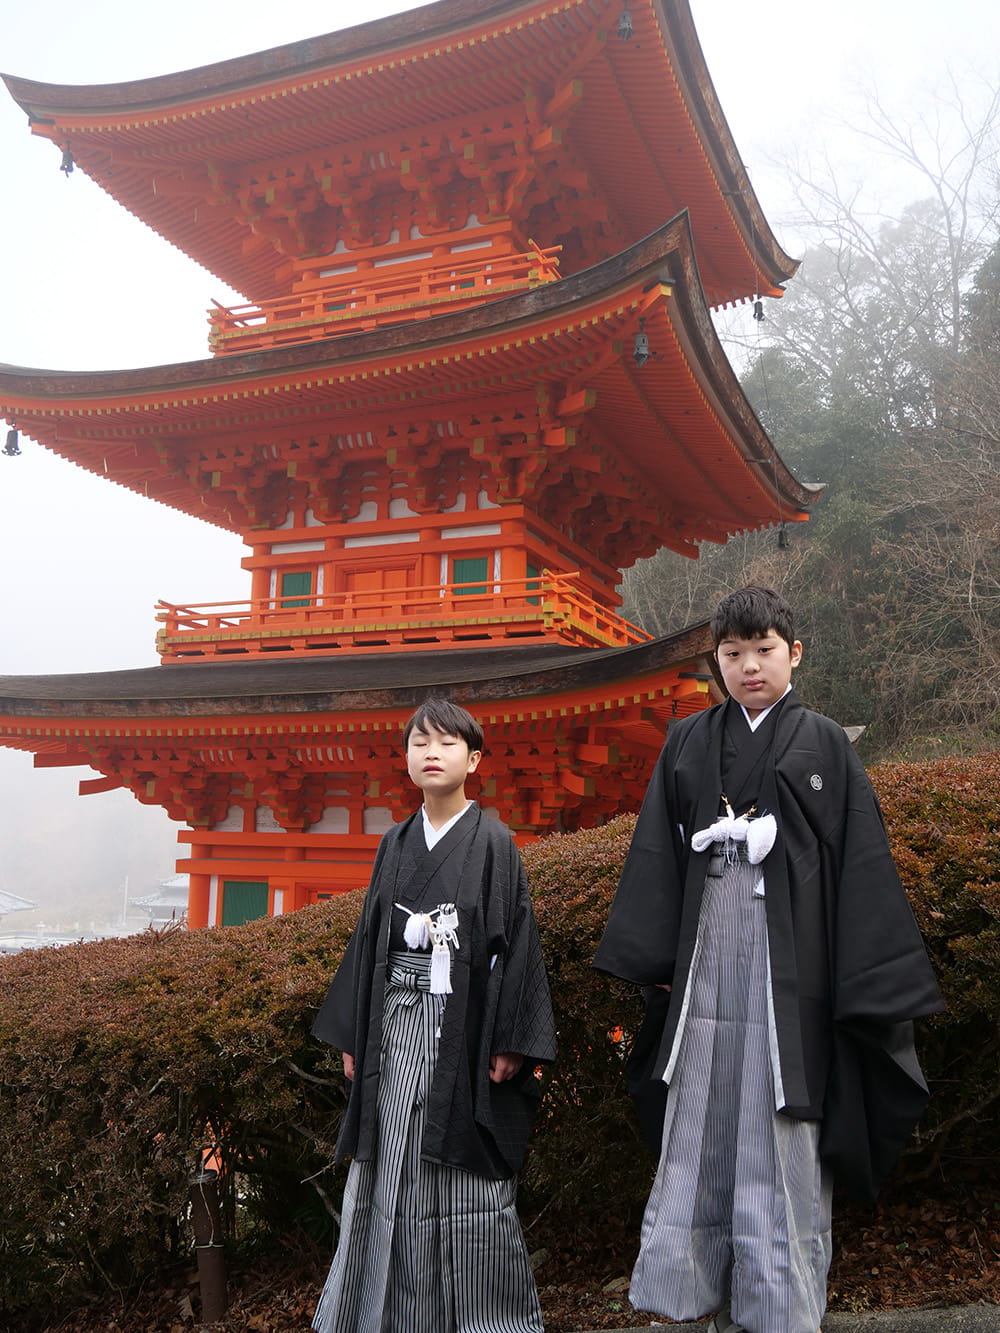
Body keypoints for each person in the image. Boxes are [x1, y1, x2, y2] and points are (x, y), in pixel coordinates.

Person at [594, 586, 943, 1333]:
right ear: (715, 662)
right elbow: (658, 851)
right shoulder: (687, 740)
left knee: (780, 1118)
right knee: (697, 1106)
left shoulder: (825, 743)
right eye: (733, 653)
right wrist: (656, 957)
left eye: (764, 650)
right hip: (703, 954)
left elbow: (859, 865)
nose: (749, 666)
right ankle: (688, 1287)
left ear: (795, 653)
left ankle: (778, 1302)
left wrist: (859, 978)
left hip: (792, 966)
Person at [311, 697, 556, 1333]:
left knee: (461, 1161)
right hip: (394, 1023)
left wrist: (510, 1039)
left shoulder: (494, 842)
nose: (431, 753)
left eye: (447, 743)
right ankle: (379, 1313)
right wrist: (356, 1035)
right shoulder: (394, 843)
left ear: (473, 760)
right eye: (420, 743)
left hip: (462, 1027)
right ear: (407, 758)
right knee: (391, 1153)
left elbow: (516, 943)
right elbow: (369, 941)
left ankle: (481, 1317)